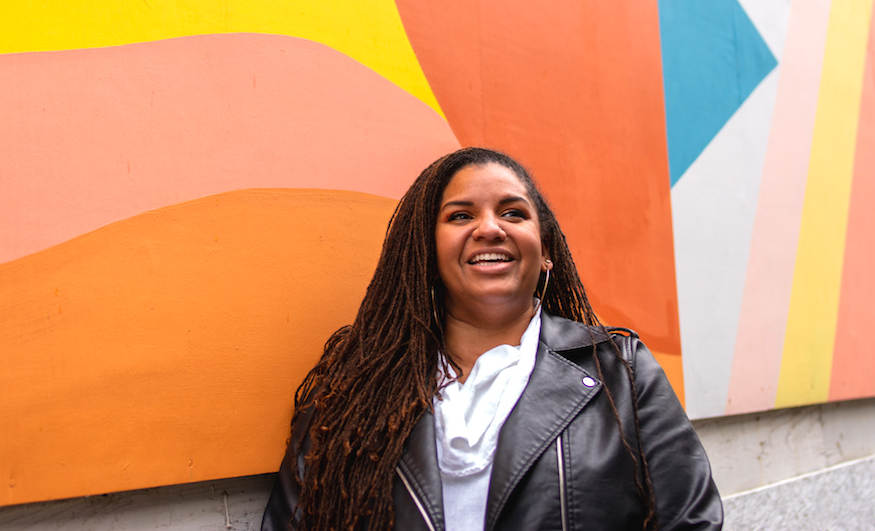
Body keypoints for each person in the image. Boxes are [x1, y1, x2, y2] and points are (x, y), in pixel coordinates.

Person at [262, 147, 722, 531]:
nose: (489, 228)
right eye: (461, 215)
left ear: (546, 252)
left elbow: (691, 521)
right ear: (426, 251)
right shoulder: (354, 387)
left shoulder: (621, 370)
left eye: (513, 213)